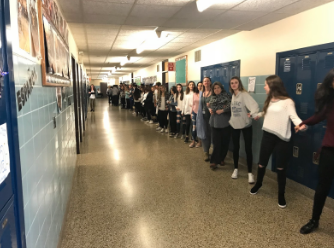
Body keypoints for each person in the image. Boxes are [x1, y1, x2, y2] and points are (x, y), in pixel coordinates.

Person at [250, 75, 304, 209]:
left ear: (273, 86)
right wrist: (258, 115)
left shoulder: (288, 102)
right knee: (262, 163)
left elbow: (294, 117)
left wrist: (300, 125)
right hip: (267, 135)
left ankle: (281, 194)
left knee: (280, 167)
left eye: (266, 85)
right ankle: (259, 184)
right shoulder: (269, 99)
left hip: (282, 138)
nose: (264, 87)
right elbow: (266, 112)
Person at [298, 69, 334, 234]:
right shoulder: (330, 102)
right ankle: (314, 220)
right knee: (322, 187)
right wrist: (303, 123)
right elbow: (317, 117)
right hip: (329, 151)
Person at [229, 77, 259, 183]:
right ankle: (236, 169)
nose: (234, 84)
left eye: (236, 83)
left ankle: (250, 173)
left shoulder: (244, 94)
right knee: (236, 148)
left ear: (239, 84)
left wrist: (251, 114)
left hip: (246, 125)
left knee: (248, 149)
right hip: (235, 125)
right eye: (232, 83)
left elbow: (255, 106)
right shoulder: (233, 96)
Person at [208, 82, 232, 170]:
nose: (216, 89)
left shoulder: (227, 96)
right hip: (214, 123)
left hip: (226, 122)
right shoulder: (212, 97)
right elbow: (212, 107)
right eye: (214, 88)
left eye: (218, 88)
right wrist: (212, 108)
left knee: (225, 142)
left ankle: (222, 158)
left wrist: (222, 110)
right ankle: (214, 161)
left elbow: (231, 106)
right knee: (216, 143)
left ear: (221, 88)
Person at [197, 77, 213, 161]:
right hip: (203, 117)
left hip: (212, 117)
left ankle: (215, 152)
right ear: (203, 83)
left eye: (207, 81)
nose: (206, 82)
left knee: (212, 135)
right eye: (204, 81)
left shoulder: (213, 92)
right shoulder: (201, 93)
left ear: (210, 82)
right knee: (204, 135)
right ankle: (206, 152)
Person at [189, 82, 201, 148]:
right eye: (198, 86)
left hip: (201, 114)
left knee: (200, 128)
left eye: (201, 86)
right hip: (194, 112)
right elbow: (193, 104)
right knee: (194, 128)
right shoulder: (194, 94)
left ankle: (200, 141)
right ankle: (193, 141)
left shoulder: (204, 94)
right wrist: (191, 113)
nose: (200, 87)